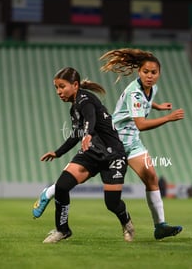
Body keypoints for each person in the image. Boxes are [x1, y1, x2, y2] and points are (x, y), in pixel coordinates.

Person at [34, 49, 184, 240]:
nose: (149, 76)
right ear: (139, 72)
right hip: (116, 140)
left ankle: (160, 226)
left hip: (131, 141)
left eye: (153, 73)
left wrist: (157, 106)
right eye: (146, 72)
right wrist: (169, 117)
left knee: (150, 177)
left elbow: (143, 102)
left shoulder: (152, 89)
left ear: (159, 74)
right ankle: (51, 193)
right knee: (72, 183)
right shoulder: (133, 93)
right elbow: (140, 123)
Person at [37, 67, 134, 244]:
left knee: (112, 203)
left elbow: (91, 117)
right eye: (56, 88)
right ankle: (62, 230)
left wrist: (88, 133)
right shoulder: (74, 108)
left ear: (75, 85)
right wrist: (57, 152)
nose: (59, 92)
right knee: (62, 187)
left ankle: (127, 222)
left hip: (113, 154)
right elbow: (76, 135)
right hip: (92, 152)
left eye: (62, 86)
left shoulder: (85, 99)